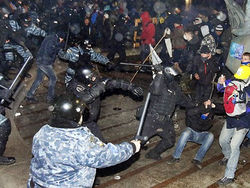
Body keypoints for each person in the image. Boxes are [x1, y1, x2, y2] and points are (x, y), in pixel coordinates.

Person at [27, 94, 141, 188]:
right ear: (74, 116)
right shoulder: (79, 141)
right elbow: (106, 156)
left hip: (37, 183)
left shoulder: (43, 131)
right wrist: (131, 147)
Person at [67, 64, 143, 142]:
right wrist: (94, 92)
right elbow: (81, 100)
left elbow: (111, 83)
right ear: (83, 78)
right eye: (91, 77)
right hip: (78, 124)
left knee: (101, 144)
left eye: (93, 75)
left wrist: (130, 86)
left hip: (90, 122)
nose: (94, 78)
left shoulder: (93, 81)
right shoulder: (74, 87)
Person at [138, 66, 195, 160]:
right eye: (174, 76)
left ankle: (153, 153)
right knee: (138, 142)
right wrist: (159, 74)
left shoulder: (176, 89)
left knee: (169, 141)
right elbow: (155, 89)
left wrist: (197, 104)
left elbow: (185, 102)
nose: (176, 79)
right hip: (151, 118)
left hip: (165, 121)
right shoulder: (159, 84)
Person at [216, 66, 250, 185]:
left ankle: (229, 175)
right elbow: (221, 88)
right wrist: (220, 83)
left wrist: (244, 103)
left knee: (234, 145)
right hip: (231, 118)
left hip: (243, 121)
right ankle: (228, 156)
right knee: (223, 140)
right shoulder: (235, 81)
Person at [167, 100, 224, 169]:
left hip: (202, 134)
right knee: (185, 133)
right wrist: (201, 112)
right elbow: (189, 113)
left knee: (210, 136)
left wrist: (214, 105)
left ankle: (197, 159)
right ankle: (176, 157)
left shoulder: (211, 111)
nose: (207, 113)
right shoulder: (196, 109)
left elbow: (224, 109)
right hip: (191, 132)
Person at [26, 32, 65, 103]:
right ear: (61, 38)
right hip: (44, 62)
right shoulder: (52, 41)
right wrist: (58, 48)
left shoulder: (51, 37)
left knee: (39, 79)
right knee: (53, 78)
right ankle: (50, 97)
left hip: (41, 60)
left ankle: (29, 95)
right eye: (62, 40)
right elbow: (49, 51)